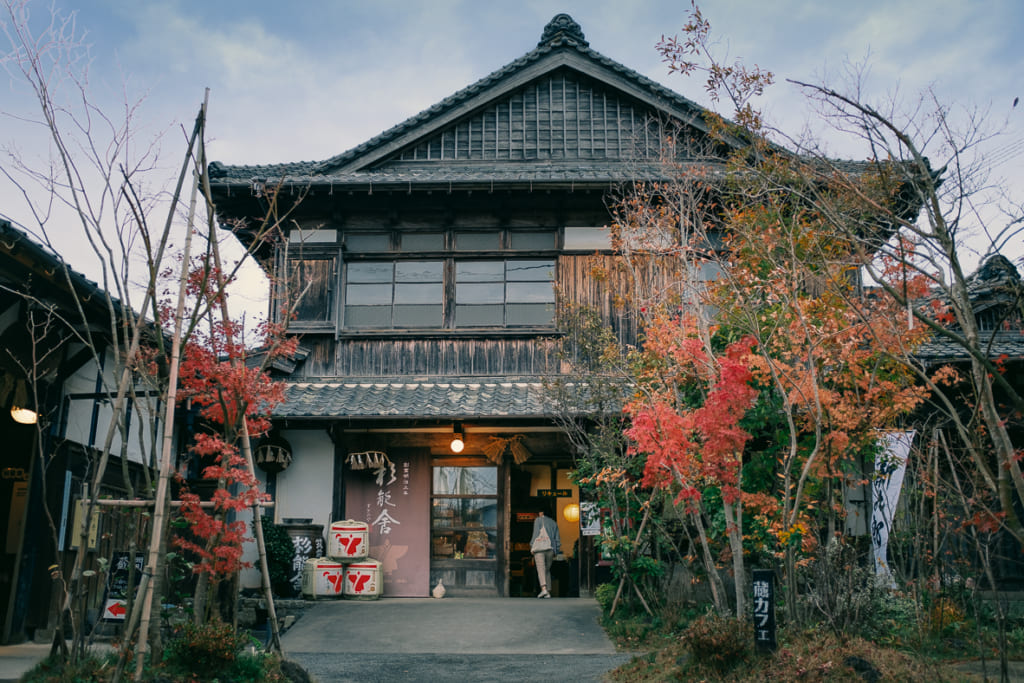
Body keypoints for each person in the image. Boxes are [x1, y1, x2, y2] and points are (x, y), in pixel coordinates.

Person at [530, 509, 561, 598]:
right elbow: (557, 538)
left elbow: (535, 534)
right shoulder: (554, 523)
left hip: (539, 548)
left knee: (541, 569)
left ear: (542, 512)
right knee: (547, 570)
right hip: (550, 549)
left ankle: (543, 589)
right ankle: (548, 591)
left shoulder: (538, 520)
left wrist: (532, 545)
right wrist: (556, 550)